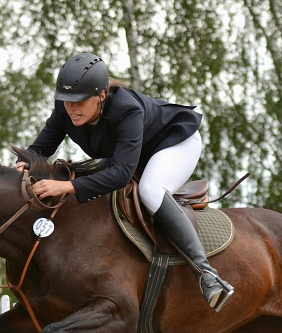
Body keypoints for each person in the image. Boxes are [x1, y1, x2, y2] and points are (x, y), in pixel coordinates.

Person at [18, 53, 234, 311]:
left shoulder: (125, 108)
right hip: (133, 153)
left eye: (79, 101)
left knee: (151, 191)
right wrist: (20, 168)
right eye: (66, 100)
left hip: (174, 143)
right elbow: (40, 149)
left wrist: (66, 187)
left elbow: (121, 174)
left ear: (101, 96)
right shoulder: (65, 108)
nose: (71, 107)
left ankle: (207, 275)